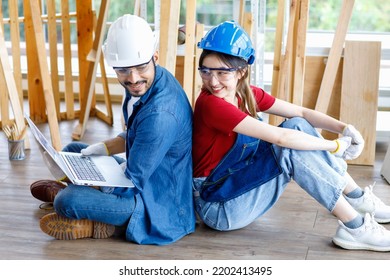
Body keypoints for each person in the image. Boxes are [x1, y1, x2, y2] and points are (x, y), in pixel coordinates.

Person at [192, 20, 390, 251]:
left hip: (235, 182)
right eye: (205, 71)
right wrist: (333, 146)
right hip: (217, 205)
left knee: (297, 124)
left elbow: (301, 112)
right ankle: (355, 227)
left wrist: (344, 128)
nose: (212, 81)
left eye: (222, 72)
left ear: (241, 72)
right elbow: (281, 139)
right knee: (289, 148)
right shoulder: (211, 105)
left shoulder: (244, 95)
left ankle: (356, 198)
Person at [30, 14, 195, 245]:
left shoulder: (161, 114)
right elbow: (138, 134)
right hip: (142, 172)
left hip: (153, 202)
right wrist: (101, 149)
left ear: (154, 57)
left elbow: (132, 182)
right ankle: (92, 207)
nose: (133, 78)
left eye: (140, 68)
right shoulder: (149, 81)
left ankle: (84, 210)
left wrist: (91, 181)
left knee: (66, 201)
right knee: (74, 150)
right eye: (123, 71)